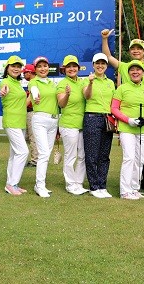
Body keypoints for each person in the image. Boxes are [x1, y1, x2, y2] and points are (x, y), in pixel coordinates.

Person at [110, 60, 144, 200]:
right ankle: (125, 190)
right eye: (132, 70)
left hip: (143, 129)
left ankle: (134, 188)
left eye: (138, 70)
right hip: (127, 128)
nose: (135, 72)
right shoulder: (122, 88)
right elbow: (114, 108)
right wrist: (128, 119)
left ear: (142, 73)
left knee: (139, 159)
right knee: (129, 158)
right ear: (128, 73)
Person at [82, 53, 116, 199]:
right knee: (92, 155)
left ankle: (102, 185)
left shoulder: (110, 82)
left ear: (106, 66)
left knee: (104, 155)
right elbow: (86, 96)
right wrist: (90, 83)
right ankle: (94, 186)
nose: (100, 66)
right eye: (97, 63)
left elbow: (113, 102)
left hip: (107, 119)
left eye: (103, 63)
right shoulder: (87, 79)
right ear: (93, 65)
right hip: (92, 118)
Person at [56, 55, 89, 195]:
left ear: (78, 68)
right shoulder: (62, 84)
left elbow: (88, 96)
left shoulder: (82, 82)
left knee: (82, 155)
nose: (71, 69)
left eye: (74, 66)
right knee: (71, 156)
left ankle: (78, 183)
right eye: (68, 66)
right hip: (68, 124)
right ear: (64, 69)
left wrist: (91, 83)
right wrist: (67, 95)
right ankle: (70, 184)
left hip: (82, 124)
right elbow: (61, 104)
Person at [28, 56, 59, 198]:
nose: (43, 68)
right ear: (35, 69)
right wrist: (35, 96)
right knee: (44, 153)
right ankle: (39, 185)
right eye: (39, 66)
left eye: (45, 66)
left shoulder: (52, 84)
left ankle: (41, 184)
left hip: (53, 122)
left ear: (48, 67)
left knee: (46, 154)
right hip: (40, 120)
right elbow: (34, 91)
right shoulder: (33, 81)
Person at [0, 55, 29, 196]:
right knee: (23, 152)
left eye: (18, 66)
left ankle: (10, 183)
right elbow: (3, 90)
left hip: (20, 122)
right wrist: (2, 91)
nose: (16, 69)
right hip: (11, 122)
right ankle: (12, 184)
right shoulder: (6, 81)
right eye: (13, 66)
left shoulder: (18, 83)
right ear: (7, 68)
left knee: (14, 155)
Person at [23, 64, 38, 167]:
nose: (24, 75)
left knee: (33, 137)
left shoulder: (33, 82)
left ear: (29, 72)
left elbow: (29, 101)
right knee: (29, 136)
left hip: (33, 112)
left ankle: (35, 160)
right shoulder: (34, 82)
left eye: (25, 72)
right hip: (31, 112)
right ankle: (34, 158)